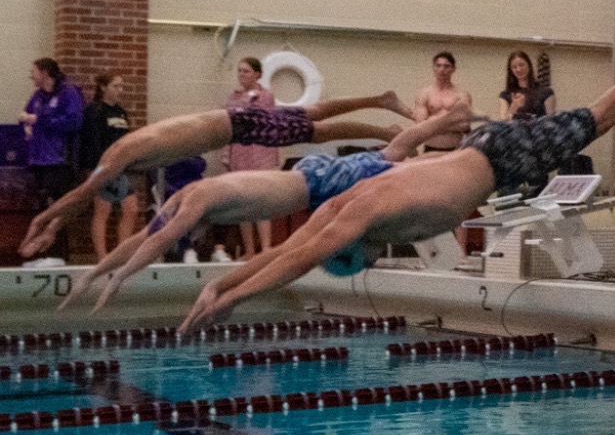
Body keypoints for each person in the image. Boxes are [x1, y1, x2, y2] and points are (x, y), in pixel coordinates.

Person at [176, 58, 615, 329]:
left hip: (501, 155)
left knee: (606, 111)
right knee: (605, 112)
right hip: (488, 156)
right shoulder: (347, 215)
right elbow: (285, 253)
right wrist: (223, 285)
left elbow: (295, 261)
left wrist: (229, 299)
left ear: (355, 252)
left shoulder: (360, 217)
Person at [67, 107, 474, 312]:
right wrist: (103, 276)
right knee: (393, 154)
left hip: (315, 180)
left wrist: (110, 279)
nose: (190, 237)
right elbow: (152, 238)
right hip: (313, 181)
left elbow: (157, 238)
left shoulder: (197, 201)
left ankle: (450, 126)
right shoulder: (195, 202)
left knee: (394, 155)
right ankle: (447, 126)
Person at [16, 90, 411, 259]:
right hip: (233, 123)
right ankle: (382, 113)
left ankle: (382, 119)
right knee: (314, 120)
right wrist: (50, 224)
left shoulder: (120, 153)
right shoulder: (126, 154)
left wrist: (44, 222)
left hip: (235, 124)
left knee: (315, 124)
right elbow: (85, 194)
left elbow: (85, 193)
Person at [20, 59, 85, 239]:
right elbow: (27, 114)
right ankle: (41, 252)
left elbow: (74, 122)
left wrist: (39, 121)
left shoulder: (68, 93)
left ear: (45, 72)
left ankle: (56, 254)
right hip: (39, 159)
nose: (31, 76)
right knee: (42, 207)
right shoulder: (38, 96)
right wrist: (26, 124)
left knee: (56, 208)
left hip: (60, 161)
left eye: (34, 72)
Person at [79, 74, 141, 261]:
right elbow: (92, 142)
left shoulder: (121, 112)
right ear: (104, 87)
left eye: (122, 86)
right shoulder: (95, 111)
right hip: (102, 166)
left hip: (120, 167)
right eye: (116, 86)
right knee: (103, 209)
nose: (120, 90)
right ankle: (102, 257)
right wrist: (98, 169)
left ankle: (121, 254)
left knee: (131, 208)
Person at [226, 58, 282, 256]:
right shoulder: (233, 97)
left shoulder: (266, 96)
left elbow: (254, 114)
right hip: (240, 152)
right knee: (243, 203)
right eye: (239, 71)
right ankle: (249, 250)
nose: (241, 75)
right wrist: (227, 156)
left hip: (260, 153)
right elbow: (229, 126)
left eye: (246, 72)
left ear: (257, 75)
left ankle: (265, 247)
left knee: (260, 201)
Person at [413, 51, 474, 150]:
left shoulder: (462, 94)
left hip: (455, 149)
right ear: (434, 68)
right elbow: (421, 124)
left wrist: (433, 121)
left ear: (453, 69)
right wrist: (451, 122)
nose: (442, 69)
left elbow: (465, 125)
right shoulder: (424, 93)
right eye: (438, 65)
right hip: (431, 148)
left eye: (446, 66)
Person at [501, 50, 554, 121]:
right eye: (514, 67)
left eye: (521, 65)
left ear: (529, 65)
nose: (518, 69)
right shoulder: (505, 94)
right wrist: (514, 106)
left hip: (539, 131)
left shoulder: (546, 92)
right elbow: (503, 125)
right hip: (515, 131)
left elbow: (552, 122)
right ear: (511, 71)